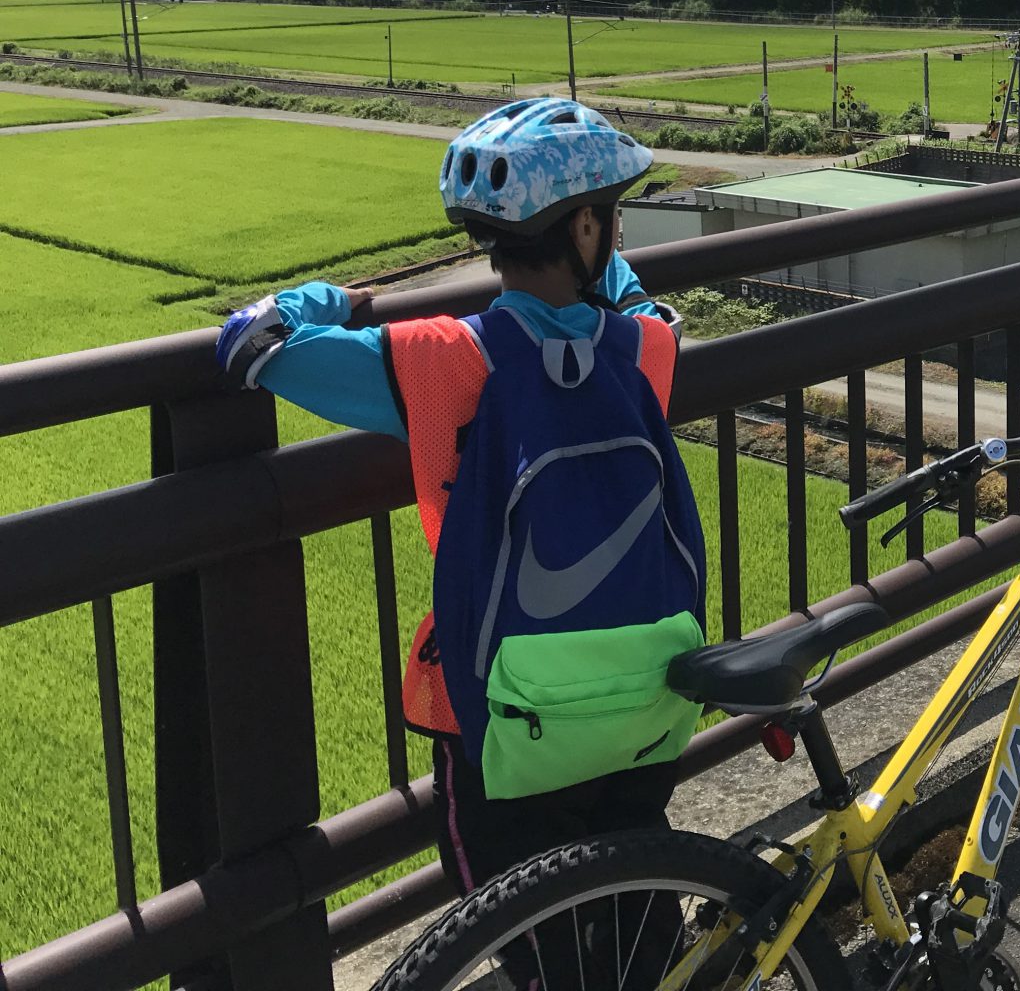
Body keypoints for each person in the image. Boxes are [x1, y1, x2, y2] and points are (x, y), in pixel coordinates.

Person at [214, 98, 706, 986]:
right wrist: (605, 261)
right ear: (586, 229)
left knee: (537, 948)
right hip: (640, 704)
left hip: (504, 723)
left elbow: (253, 341)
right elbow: (645, 306)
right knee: (644, 932)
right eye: (608, 214)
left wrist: (335, 299)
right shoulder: (643, 351)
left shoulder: (443, 359)